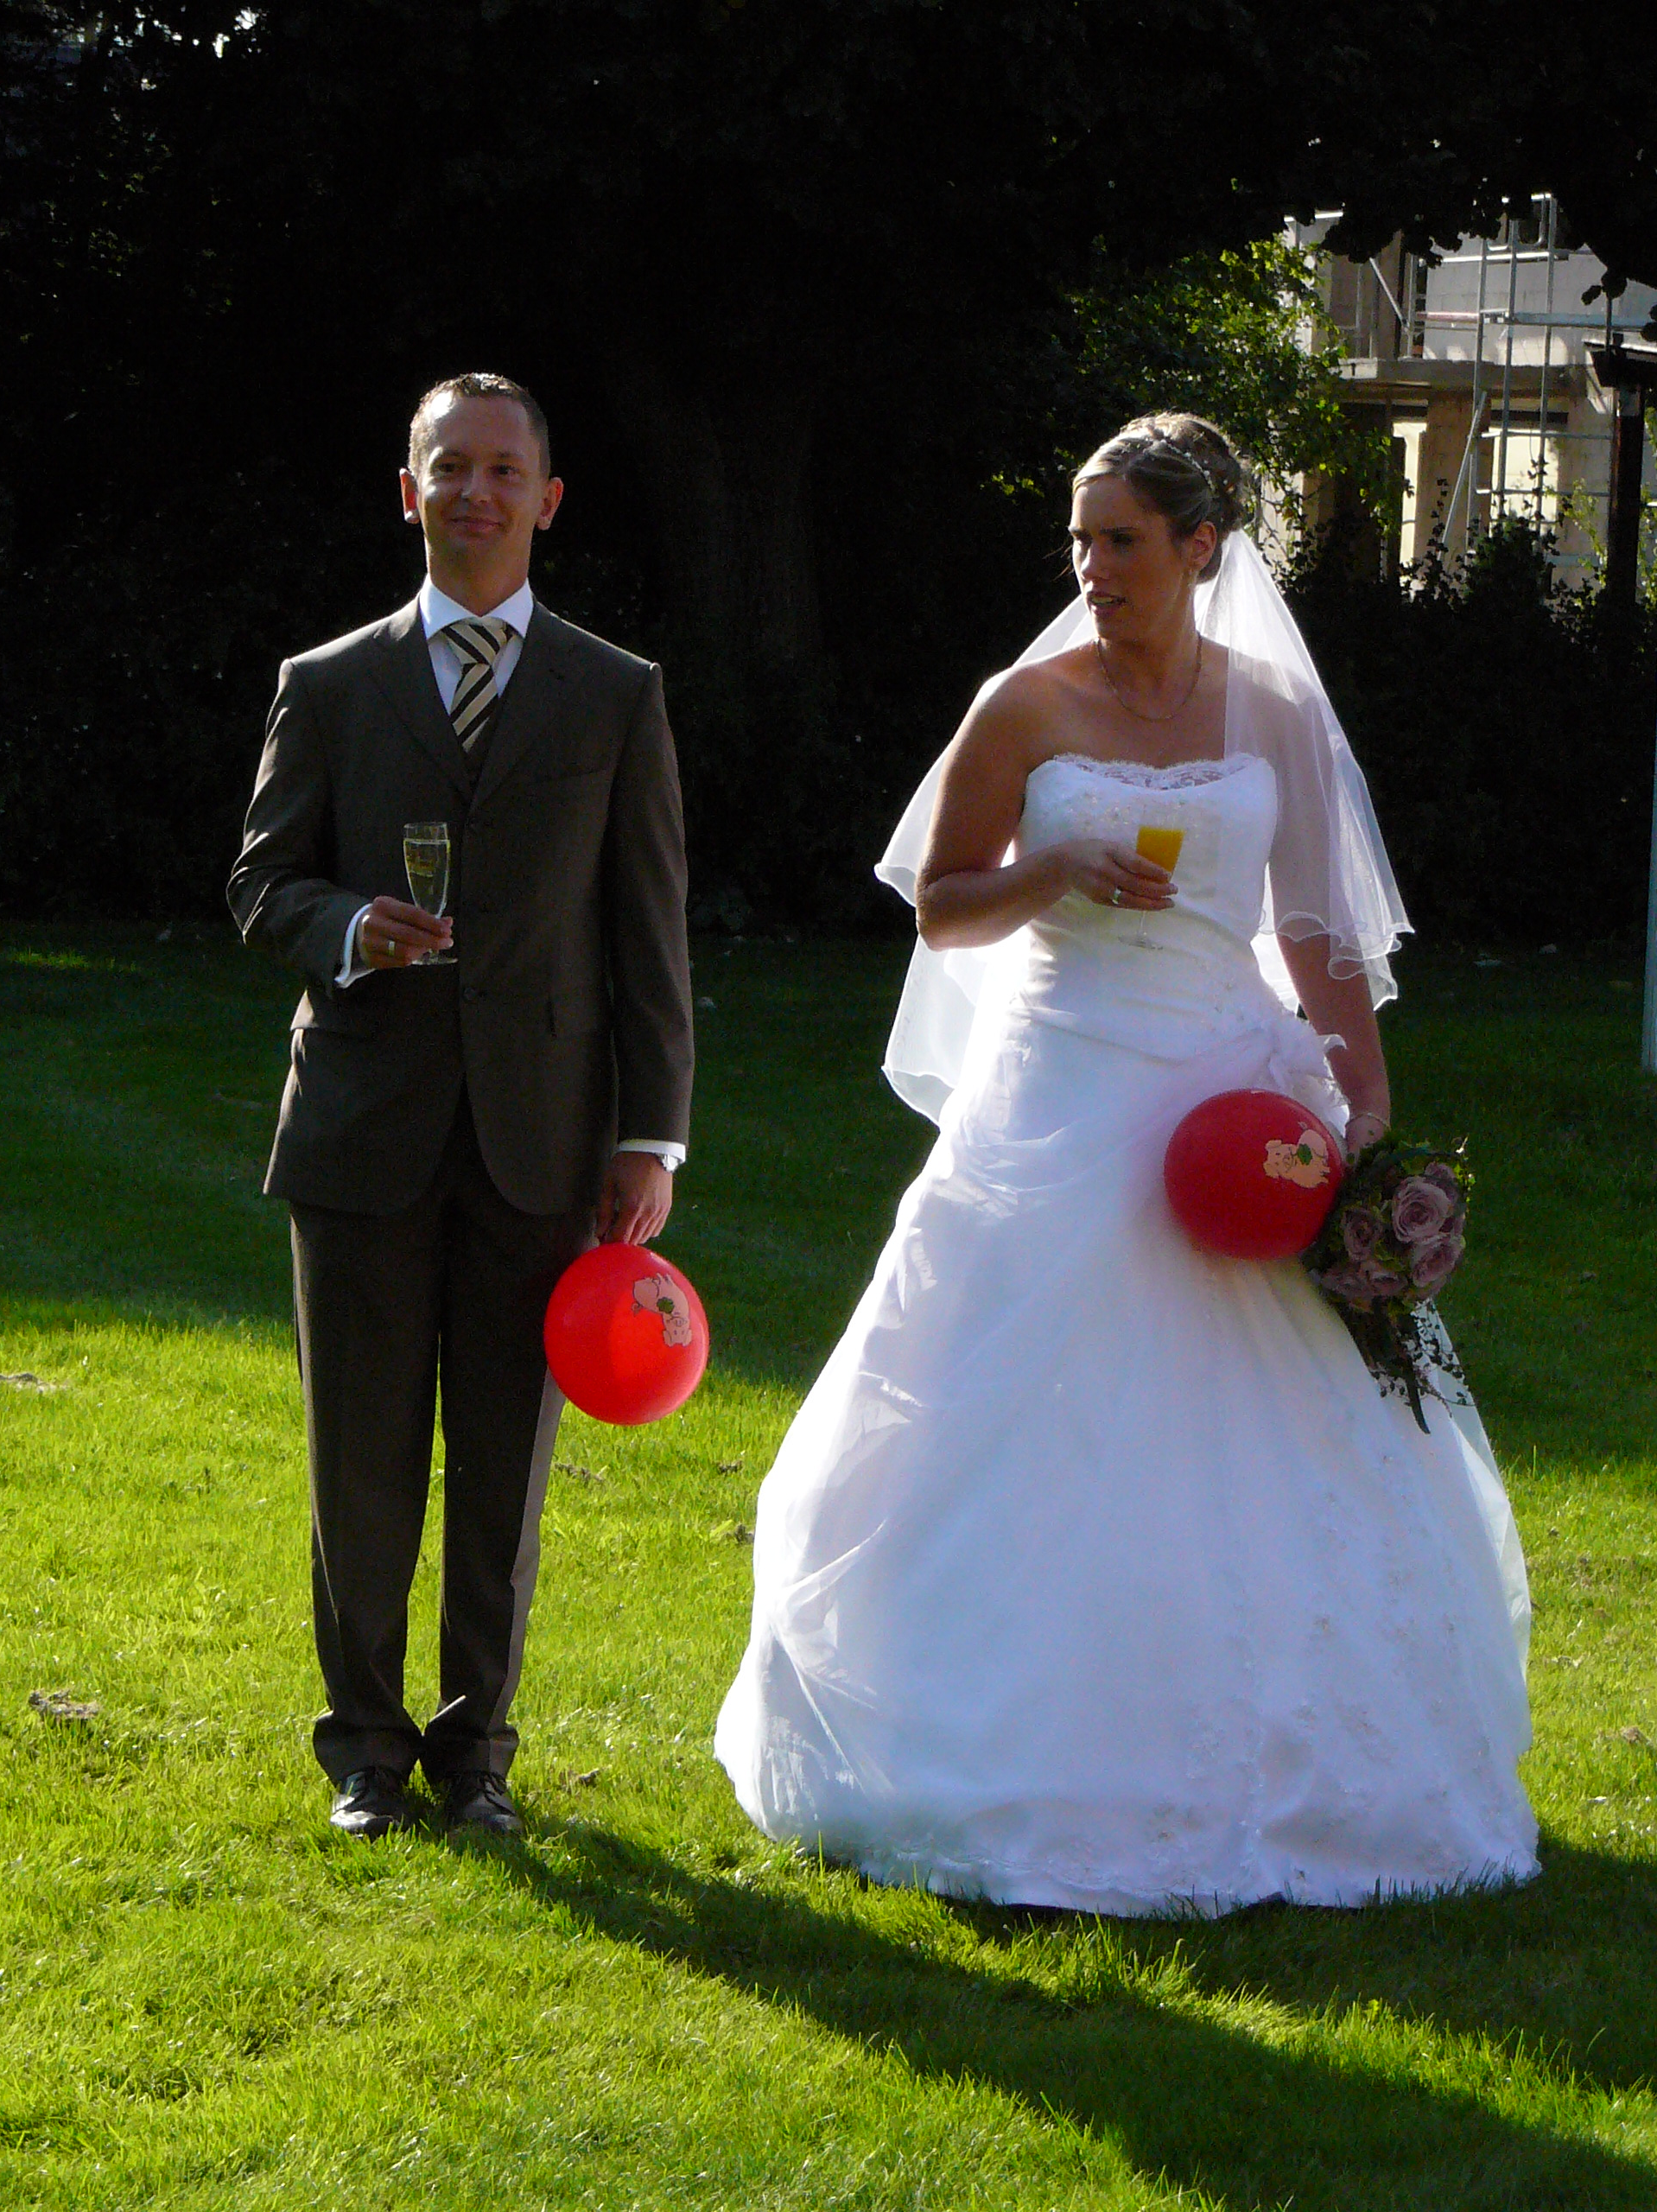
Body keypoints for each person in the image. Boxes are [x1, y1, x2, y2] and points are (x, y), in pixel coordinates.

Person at [715, 414, 1537, 1913]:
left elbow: (1316, 939)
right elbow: (941, 906)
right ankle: (985, 1749)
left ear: (1199, 548)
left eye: (1123, 540)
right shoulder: (1024, 705)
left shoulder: (1273, 711)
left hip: (1229, 1095)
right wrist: (1045, 872)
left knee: (1268, 1428)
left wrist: (1366, 1117)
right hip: (1057, 1086)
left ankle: (1284, 1760)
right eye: (1080, 541)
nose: (1094, 567)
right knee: (1002, 1404)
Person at [228, 372, 693, 1840]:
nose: (475, 493)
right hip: (361, 1125)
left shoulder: (614, 692)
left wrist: (649, 1136)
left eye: (503, 471)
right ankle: (365, 1749)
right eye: (450, 467)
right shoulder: (330, 683)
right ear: (408, 490)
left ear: (547, 500)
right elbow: (260, 883)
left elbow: (648, 932)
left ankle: (477, 1748)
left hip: (543, 1139)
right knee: (359, 1458)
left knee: (506, 1467)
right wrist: (348, 928)